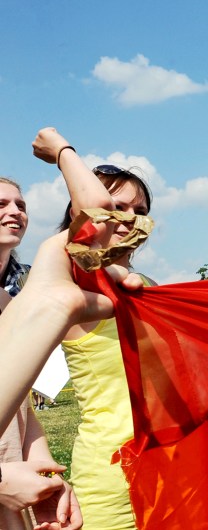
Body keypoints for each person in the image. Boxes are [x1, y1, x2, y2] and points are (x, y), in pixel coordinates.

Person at [33, 127, 153, 528]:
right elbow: (93, 213)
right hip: (110, 476)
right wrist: (61, 148)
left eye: (139, 210)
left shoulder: (146, 285)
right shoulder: (76, 274)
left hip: (167, 460)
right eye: (118, 206)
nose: (129, 218)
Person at [0, 178, 82, 529]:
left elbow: (22, 408)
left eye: (20, 205)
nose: (14, 211)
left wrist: (49, 476)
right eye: (1, 204)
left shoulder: (7, 304)